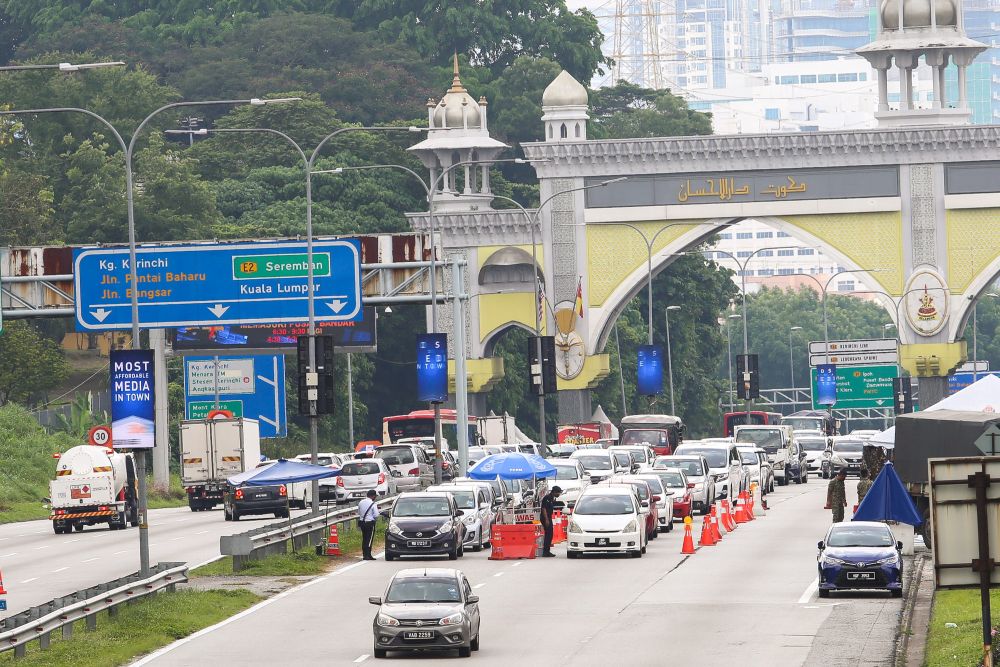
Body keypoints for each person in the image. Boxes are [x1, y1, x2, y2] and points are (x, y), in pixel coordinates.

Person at [540, 485, 563, 557]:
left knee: (549, 535)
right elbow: (543, 509)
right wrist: (546, 519)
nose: (559, 494)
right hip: (545, 518)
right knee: (548, 534)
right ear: (554, 492)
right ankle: (546, 552)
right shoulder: (547, 498)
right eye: (558, 493)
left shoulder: (552, 498)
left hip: (548, 517)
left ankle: (547, 551)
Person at [358, 489, 379, 561]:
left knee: (364, 538)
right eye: (375, 496)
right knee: (369, 539)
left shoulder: (361, 502)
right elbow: (376, 515)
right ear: (373, 496)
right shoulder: (373, 504)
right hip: (369, 523)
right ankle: (368, 555)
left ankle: (364, 554)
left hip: (362, 522)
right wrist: (373, 518)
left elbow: (359, 512)